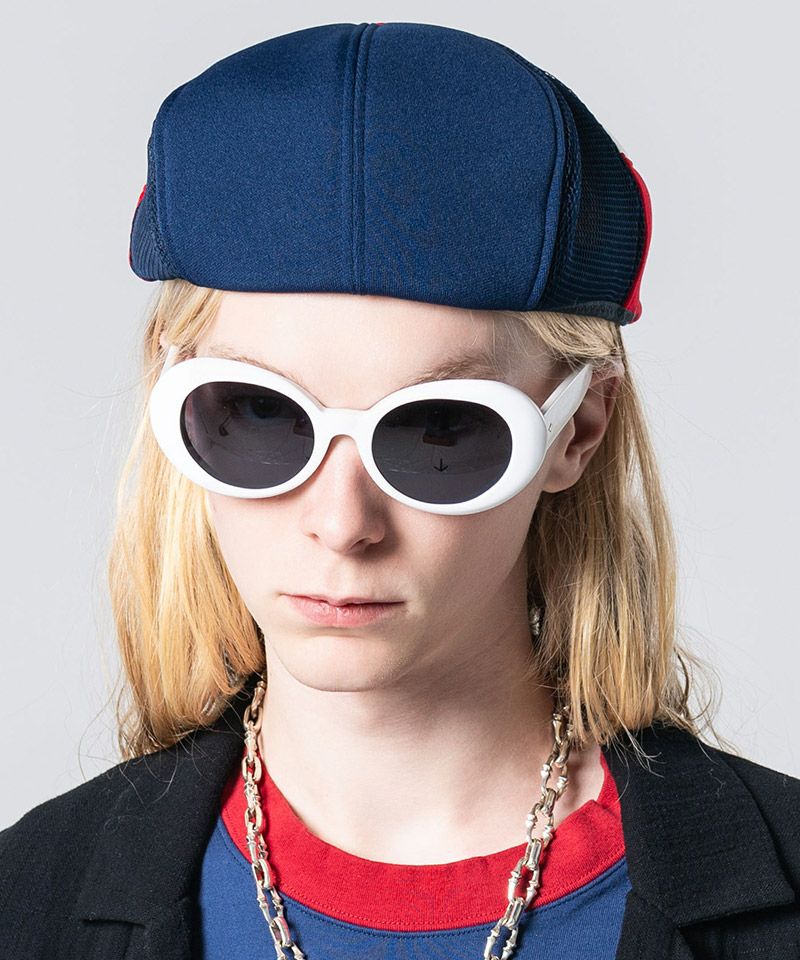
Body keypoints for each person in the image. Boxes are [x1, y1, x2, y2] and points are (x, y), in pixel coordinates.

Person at [1, 19, 799, 960]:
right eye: (259, 414)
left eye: (438, 429)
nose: (342, 523)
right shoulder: (28, 901)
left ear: (578, 429)